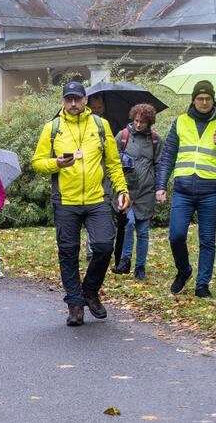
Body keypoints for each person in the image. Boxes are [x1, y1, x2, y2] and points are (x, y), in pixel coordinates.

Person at [32, 81, 130, 326]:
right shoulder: (53, 128)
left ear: (86, 100)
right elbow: (37, 162)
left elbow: (113, 163)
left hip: (96, 199)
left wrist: (121, 189)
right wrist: (56, 163)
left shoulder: (100, 125)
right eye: (69, 99)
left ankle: (89, 290)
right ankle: (75, 304)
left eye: (77, 99)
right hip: (66, 200)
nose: (73, 104)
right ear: (63, 101)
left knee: (104, 246)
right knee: (68, 253)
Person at [156, 80, 216, 298]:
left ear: (214, 100)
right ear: (193, 100)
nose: (204, 102)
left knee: (207, 240)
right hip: (183, 190)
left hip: (210, 191)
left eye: (208, 98)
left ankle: (202, 285)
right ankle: (184, 271)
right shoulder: (181, 122)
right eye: (200, 98)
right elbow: (168, 155)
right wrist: (161, 185)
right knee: (176, 236)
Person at [115, 104, 163, 280]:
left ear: (149, 122)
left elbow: (159, 164)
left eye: (142, 122)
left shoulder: (155, 140)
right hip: (126, 189)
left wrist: (160, 187)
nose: (138, 125)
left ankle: (140, 266)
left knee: (143, 232)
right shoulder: (123, 136)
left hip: (146, 191)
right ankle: (125, 260)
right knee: (128, 223)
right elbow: (111, 159)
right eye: (136, 121)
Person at [85, 92, 128, 268]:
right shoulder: (85, 127)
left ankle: (107, 249)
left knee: (108, 216)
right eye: (93, 108)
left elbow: (114, 156)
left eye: (99, 107)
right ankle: (90, 251)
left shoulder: (109, 126)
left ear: (104, 107)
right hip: (92, 178)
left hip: (109, 178)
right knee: (93, 212)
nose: (96, 110)